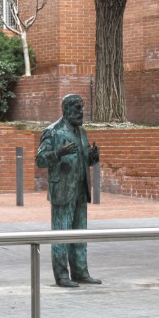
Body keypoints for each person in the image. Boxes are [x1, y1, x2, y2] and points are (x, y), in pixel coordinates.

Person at [35, 94, 102, 288]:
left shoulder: (82, 132)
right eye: (77, 108)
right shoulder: (53, 131)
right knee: (61, 235)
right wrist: (59, 153)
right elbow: (40, 159)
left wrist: (93, 157)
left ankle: (80, 272)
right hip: (63, 189)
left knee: (80, 234)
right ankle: (62, 276)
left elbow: (83, 159)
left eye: (82, 108)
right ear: (66, 109)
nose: (82, 112)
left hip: (80, 189)